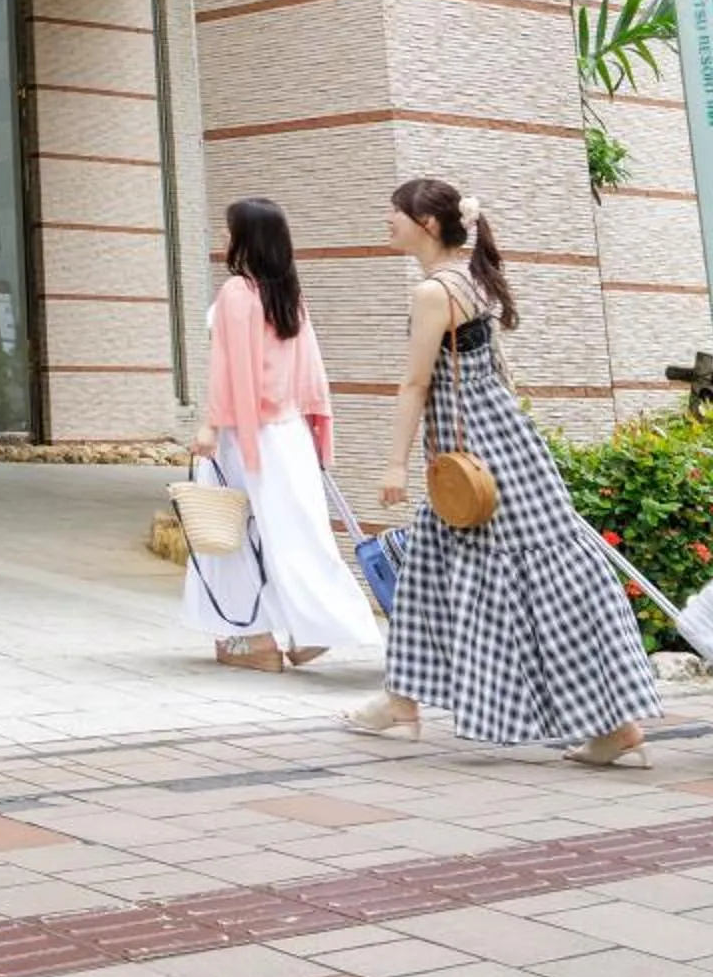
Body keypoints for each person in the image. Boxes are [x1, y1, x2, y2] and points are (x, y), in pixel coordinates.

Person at [350, 177, 661, 765]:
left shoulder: (433, 292)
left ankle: (617, 726)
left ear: (427, 224)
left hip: (474, 455)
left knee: (538, 584)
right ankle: (400, 701)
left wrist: (394, 463)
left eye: (396, 212)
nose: (387, 220)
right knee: (429, 569)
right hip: (501, 443)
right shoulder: (471, 278)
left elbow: (415, 383)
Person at [183, 198, 379, 670]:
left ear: (246, 238)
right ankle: (320, 627)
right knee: (300, 534)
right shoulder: (288, 294)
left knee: (231, 533)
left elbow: (228, 370)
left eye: (229, 229)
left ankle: (251, 640)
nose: (223, 236)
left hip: (245, 434)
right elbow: (310, 372)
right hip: (290, 434)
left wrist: (210, 425)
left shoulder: (237, 292)